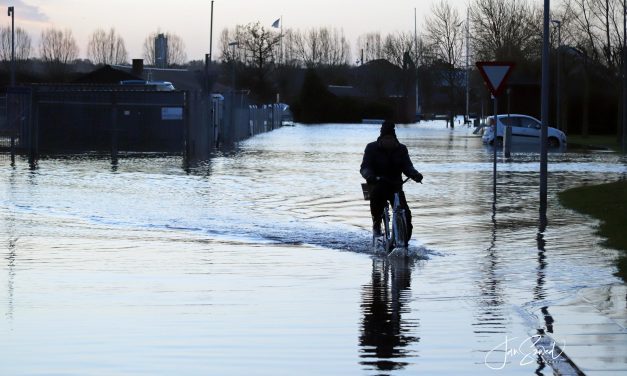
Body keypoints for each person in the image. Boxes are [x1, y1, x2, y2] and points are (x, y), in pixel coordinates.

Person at [360, 120, 423, 241]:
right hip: (376, 183)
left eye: (391, 138)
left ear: (394, 138)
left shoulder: (402, 149)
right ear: (381, 138)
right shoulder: (371, 147)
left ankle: (404, 241)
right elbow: (364, 167)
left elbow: (407, 166)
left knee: (406, 213)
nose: (388, 141)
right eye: (386, 138)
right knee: (376, 202)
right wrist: (370, 176)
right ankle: (376, 224)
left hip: (395, 185)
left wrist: (415, 174)